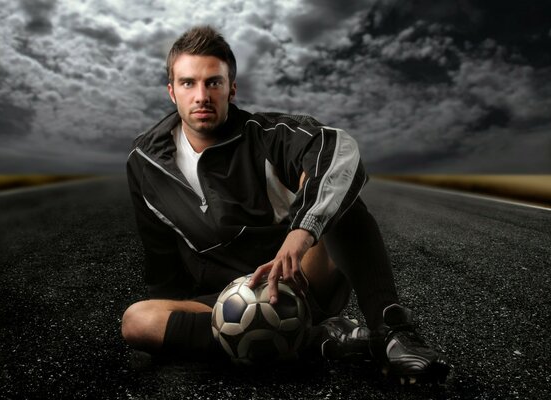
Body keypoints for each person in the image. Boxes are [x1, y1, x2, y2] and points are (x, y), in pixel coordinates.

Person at [121, 25, 449, 384]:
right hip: (225, 301)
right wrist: (176, 323)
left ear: (232, 88)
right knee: (138, 321)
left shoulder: (267, 135)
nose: (201, 95)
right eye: (188, 83)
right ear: (171, 91)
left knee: (338, 197)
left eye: (213, 82)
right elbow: (160, 255)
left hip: (299, 280)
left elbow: (339, 150)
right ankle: (317, 340)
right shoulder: (145, 161)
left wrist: (301, 231)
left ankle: (391, 333)